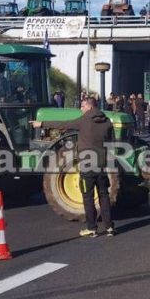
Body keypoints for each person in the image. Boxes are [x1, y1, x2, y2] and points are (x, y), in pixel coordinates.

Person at [32, 96, 115, 237]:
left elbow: (64, 124)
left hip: (87, 166)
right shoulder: (107, 121)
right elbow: (111, 142)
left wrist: (42, 124)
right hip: (102, 165)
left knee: (88, 197)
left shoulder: (84, 120)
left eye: (82, 106)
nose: (81, 109)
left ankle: (92, 228)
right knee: (104, 195)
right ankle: (109, 227)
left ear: (89, 106)